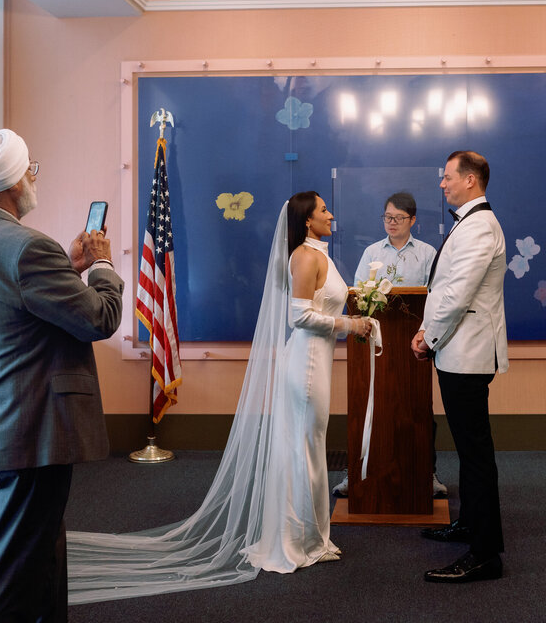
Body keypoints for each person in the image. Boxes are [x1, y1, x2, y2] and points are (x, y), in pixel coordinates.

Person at [64, 191, 371, 603]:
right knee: (304, 449)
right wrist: (350, 323)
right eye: (323, 210)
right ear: (306, 220)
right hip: (308, 365)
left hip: (318, 359)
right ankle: (297, 541)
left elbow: (320, 307)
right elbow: (297, 316)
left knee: (311, 447)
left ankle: (312, 536)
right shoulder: (304, 256)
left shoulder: (320, 254)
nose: (331, 214)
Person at [0, 129, 124, 622]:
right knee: (11, 578)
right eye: (30, 170)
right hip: (33, 431)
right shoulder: (27, 247)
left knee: (38, 561)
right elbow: (99, 319)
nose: (34, 178)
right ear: (10, 181)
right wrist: (102, 264)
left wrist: (70, 265)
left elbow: (12, 305)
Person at [412, 150, 508, 584]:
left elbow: (458, 294)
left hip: (465, 354)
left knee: (474, 454)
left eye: (448, 176)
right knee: (470, 451)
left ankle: (486, 554)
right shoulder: (469, 222)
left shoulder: (480, 227)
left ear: (470, 180)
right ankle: (469, 524)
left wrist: (428, 337)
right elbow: (445, 288)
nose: (442, 183)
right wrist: (428, 331)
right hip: (456, 350)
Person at [334, 191, 445, 498]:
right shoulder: (371, 252)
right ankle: (356, 473)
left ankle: (427, 473)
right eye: (387, 217)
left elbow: (434, 297)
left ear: (413, 221)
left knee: (419, 407)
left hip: (413, 343)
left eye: (398, 218)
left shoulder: (426, 253)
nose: (392, 223)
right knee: (367, 406)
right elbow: (355, 295)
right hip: (374, 342)